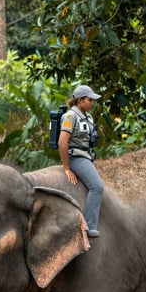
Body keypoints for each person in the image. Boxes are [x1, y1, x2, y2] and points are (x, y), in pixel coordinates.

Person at [58, 84, 105, 237]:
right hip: (76, 157)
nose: (92, 103)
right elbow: (62, 142)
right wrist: (67, 167)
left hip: (87, 156)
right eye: (89, 100)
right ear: (79, 100)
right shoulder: (70, 116)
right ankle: (90, 227)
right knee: (97, 187)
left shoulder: (88, 117)